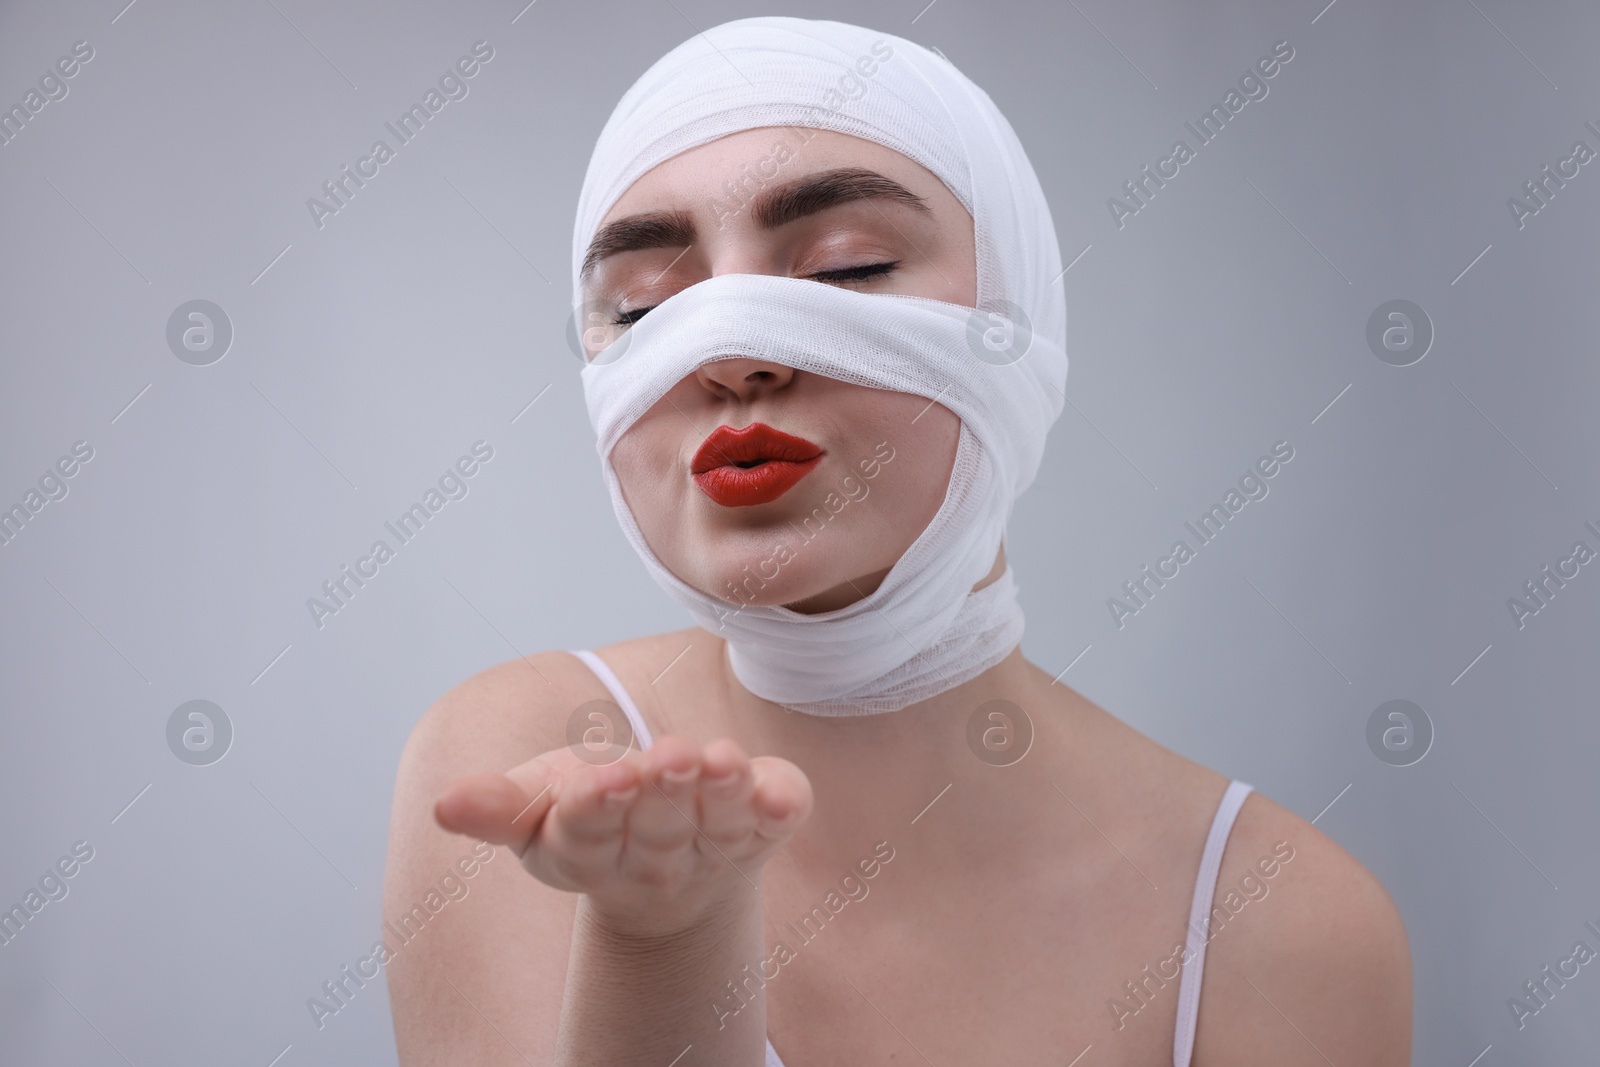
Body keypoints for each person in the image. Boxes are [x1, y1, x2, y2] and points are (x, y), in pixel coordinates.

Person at [383, 16, 1411, 1066]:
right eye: (641, 309)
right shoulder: (522, 778)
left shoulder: (1285, 926)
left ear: (1020, 320)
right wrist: (660, 947)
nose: (731, 349)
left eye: (845, 269)